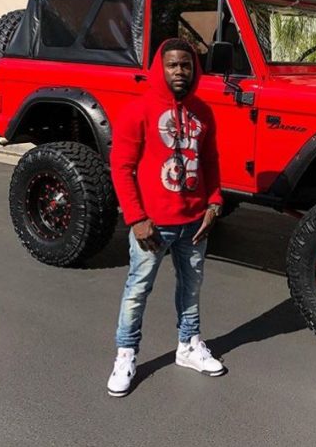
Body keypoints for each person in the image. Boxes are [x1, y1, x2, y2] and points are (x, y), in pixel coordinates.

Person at [107, 37, 224, 397]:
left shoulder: (203, 111)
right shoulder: (138, 109)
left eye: (186, 65)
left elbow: (210, 162)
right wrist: (136, 218)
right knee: (137, 290)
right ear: (161, 67)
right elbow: (121, 167)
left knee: (191, 288)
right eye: (172, 65)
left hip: (194, 223)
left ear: (194, 69)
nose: (179, 71)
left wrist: (214, 203)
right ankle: (126, 355)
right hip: (152, 226)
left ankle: (188, 345)